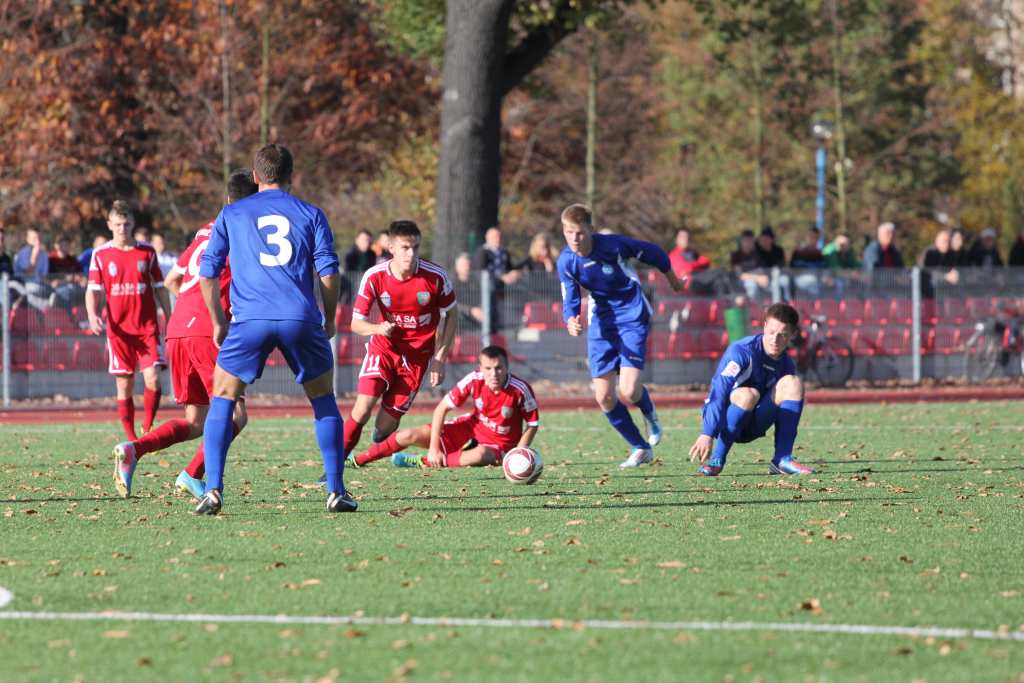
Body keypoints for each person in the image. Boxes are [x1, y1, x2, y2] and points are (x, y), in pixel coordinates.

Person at [188, 144, 354, 515]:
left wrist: (218, 320)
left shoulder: (232, 213)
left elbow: (207, 272)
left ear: (256, 175)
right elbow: (328, 272)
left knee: (223, 397)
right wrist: (328, 318)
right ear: (292, 176)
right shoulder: (311, 213)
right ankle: (335, 491)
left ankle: (213, 489)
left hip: (250, 321)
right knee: (323, 399)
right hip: (300, 318)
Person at [109, 170, 257, 500]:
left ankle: (133, 449)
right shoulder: (245, 229)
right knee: (236, 414)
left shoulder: (205, 231)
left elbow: (174, 280)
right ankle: (192, 474)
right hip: (208, 330)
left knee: (196, 421)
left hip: (178, 330)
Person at [557, 203, 684, 468]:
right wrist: (570, 320)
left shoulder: (614, 245)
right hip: (601, 322)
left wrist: (672, 278)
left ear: (590, 230)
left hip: (631, 316)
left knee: (628, 389)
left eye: (579, 233)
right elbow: (569, 296)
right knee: (603, 397)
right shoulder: (566, 260)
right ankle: (640, 447)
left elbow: (655, 253)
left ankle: (649, 413)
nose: (574, 239)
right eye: (568, 232)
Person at [340, 220, 457, 466]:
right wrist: (378, 328)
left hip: (417, 359)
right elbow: (355, 324)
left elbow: (451, 315)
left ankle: (371, 451)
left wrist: (439, 358)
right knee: (362, 409)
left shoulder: (435, 277)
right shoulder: (374, 277)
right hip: (384, 348)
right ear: (390, 247)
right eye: (405, 247)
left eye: (415, 247)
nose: (411, 254)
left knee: (383, 428)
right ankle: (334, 467)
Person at [349, 345, 539, 469]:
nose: (494, 374)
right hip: (469, 430)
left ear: (507, 367)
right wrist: (434, 448)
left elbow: (532, 424)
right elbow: (441, 409)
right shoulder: (474, 379)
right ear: (480, 368)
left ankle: (422, 462)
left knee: (479, 455)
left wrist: (518, 453)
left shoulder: (520, 390)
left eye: (499, 368)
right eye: (488, 369)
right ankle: (358, 460)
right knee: (407, 435)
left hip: (500, 445)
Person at [687, 302, 813, 476]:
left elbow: (783, 413)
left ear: (792, 334)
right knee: (748, 394)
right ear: (764, 326)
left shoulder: (786, 364)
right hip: (729, 420)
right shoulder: (742, 351)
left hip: (756, 423)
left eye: (783, 335)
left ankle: (781, 460)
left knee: (794, 382)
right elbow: (718, 392)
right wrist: (707, 433)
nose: (775, 340)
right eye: (771, 332)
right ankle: (716, 460)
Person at [86, 202, 171, 453]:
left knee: (153, 379)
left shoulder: (147, 252)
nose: (122, 228)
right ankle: (132, 436)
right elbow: (92, 290)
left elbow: (160, 289)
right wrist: (92, 314)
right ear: (110, 225)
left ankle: (147, 427)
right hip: (119, 331)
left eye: (127, 224)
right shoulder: (100, 254)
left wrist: (170, 315)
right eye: (118, 224)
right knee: (124, 384)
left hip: (146, 328)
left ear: (132, 224)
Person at [730, 230, 770, 301]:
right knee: (751, 285)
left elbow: (761, 270)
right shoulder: (736, 255)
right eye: (747, 240)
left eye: (751, 240)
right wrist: (757, 278)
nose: (749, 243)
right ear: (742, 241)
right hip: (741, 283)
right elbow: (740, 275)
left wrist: (763, 277)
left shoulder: (757, 254)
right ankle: (751, 309)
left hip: (757, 279)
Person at [789, 226, 825, 297]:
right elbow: (792, 269)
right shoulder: (798, 251)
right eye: (811, 237)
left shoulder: (819, 253)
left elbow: (822, 269)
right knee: (813, 281)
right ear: (807, 237)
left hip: (816, 279)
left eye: (816, 237)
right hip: (799, 279)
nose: (813, 239)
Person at [453, 251, 485, 329]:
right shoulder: (450, 284)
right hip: (459, 320)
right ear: (457, 267)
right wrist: (470, 310)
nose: (467, 267)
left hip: (478, 317)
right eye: (464, 265)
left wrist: (481, 308)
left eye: (469, 264)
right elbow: (451, 304)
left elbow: (482, 298)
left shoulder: (477, 282)